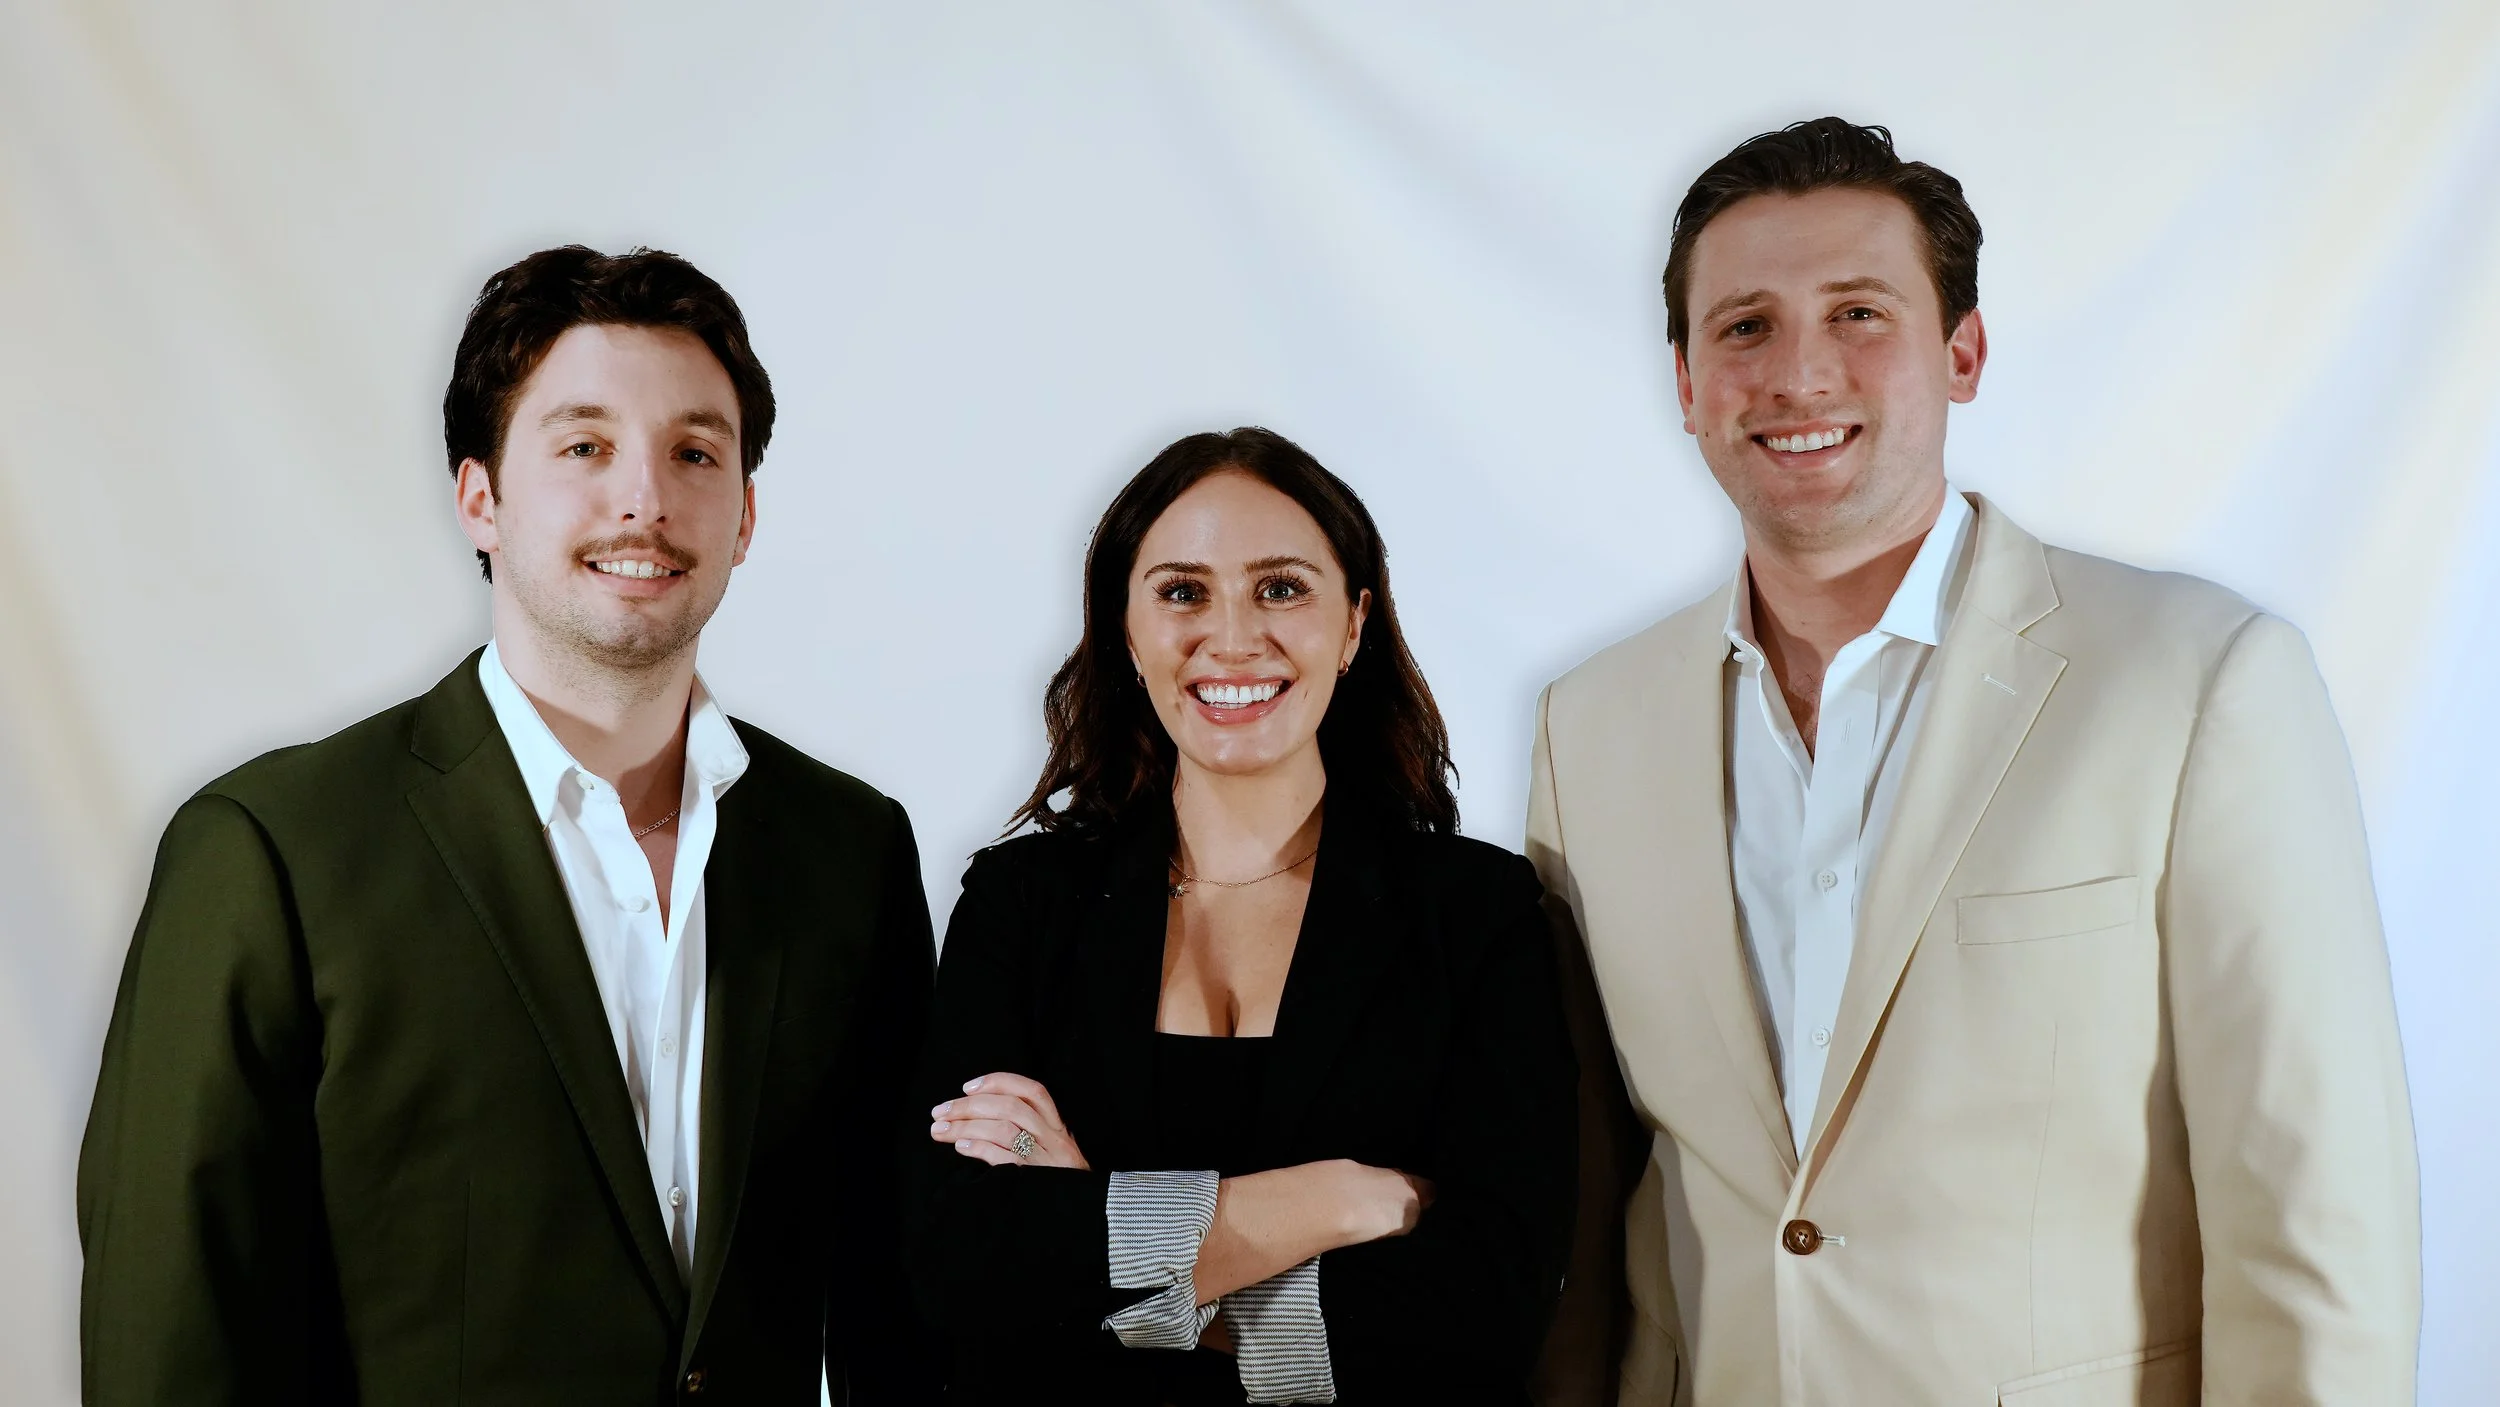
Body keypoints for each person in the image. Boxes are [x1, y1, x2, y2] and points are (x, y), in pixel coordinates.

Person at [1528, 119, 2419, 1405]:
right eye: (1743, 328)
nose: (1798, 373)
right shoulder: (1587, 725)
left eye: (1856, 314)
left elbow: (2313, 1210)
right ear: (1683, 382)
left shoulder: (2195, 679)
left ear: (1962, 354)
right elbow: (1586, 1191)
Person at [78, 246, 936, 1403]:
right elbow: (173, 1336)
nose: (644, 496)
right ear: (479, 495)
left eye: (695, 453)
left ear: (743, 516)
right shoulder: (273, 848)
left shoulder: (848, 849)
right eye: (584, 448)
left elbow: (898, 1306)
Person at [903, 427, 1577, 1404]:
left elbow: (1487, 1313)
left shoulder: (1476, 912)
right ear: (1125, 631)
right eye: (1182, 592)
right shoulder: (1023, 904)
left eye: (1280, 588)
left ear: (1353, 625)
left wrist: (1106, 1241)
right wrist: (1334, 1200)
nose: (1230, 636)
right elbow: (957, 1264)